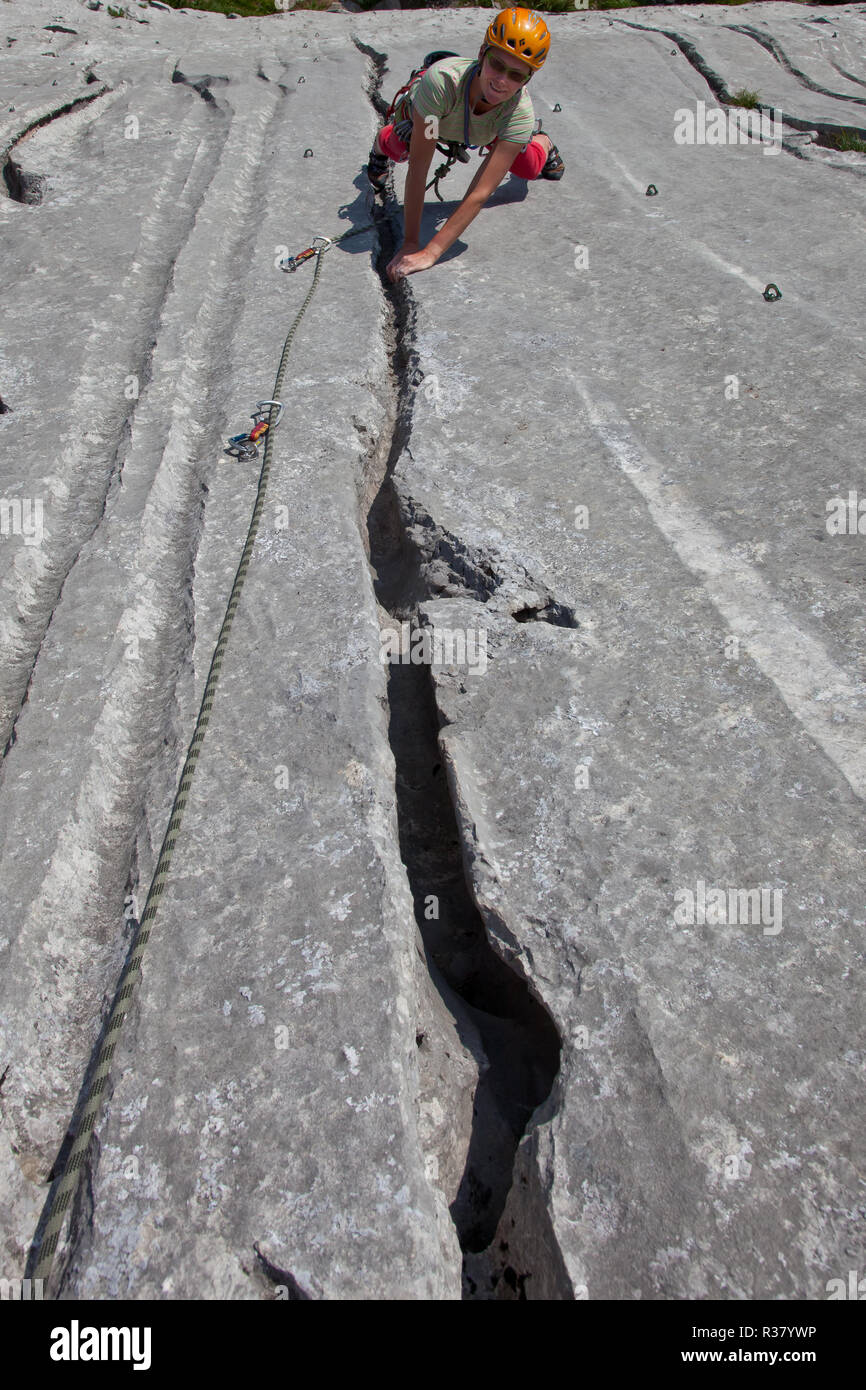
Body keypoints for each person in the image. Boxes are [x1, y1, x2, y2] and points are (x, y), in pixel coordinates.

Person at [367, 8, 564, 283]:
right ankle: (379, 145)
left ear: (528, 79)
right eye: (497, 64)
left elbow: (479, 193)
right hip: (439, 119)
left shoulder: (518, 113)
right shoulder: (442, 84)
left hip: (490, 128)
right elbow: (420, 165)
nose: (502, 80)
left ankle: (543, 140)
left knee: (529, 167)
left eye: (516, 75)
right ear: (482, 53)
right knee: (402, 144)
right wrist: (411, 243)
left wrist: (432, 251)